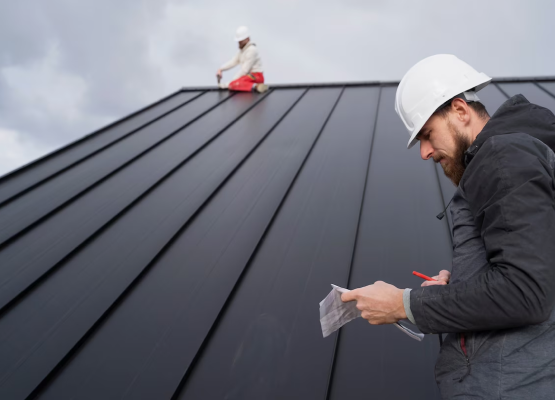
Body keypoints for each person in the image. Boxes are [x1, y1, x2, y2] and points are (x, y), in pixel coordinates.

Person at [341, 54, 555, 398]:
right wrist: (463, 283)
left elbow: (526, 292)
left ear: (459, 110)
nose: (424, 152)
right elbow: (534, 270)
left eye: (427, 134)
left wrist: (403, 304)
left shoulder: (502, 157)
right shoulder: (514, 156)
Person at [217, 26, 268, 93]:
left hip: (256, 76)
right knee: (234, 84)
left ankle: (257, 86)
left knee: (234, 85)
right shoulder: (242, 50)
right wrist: (221, 69)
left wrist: (230, 83)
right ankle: (255, 86)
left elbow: (244, 70)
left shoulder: (252, 50)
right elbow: (233, 61)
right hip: (249, 77)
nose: (239, 42)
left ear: (247, 39)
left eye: (241, 40)